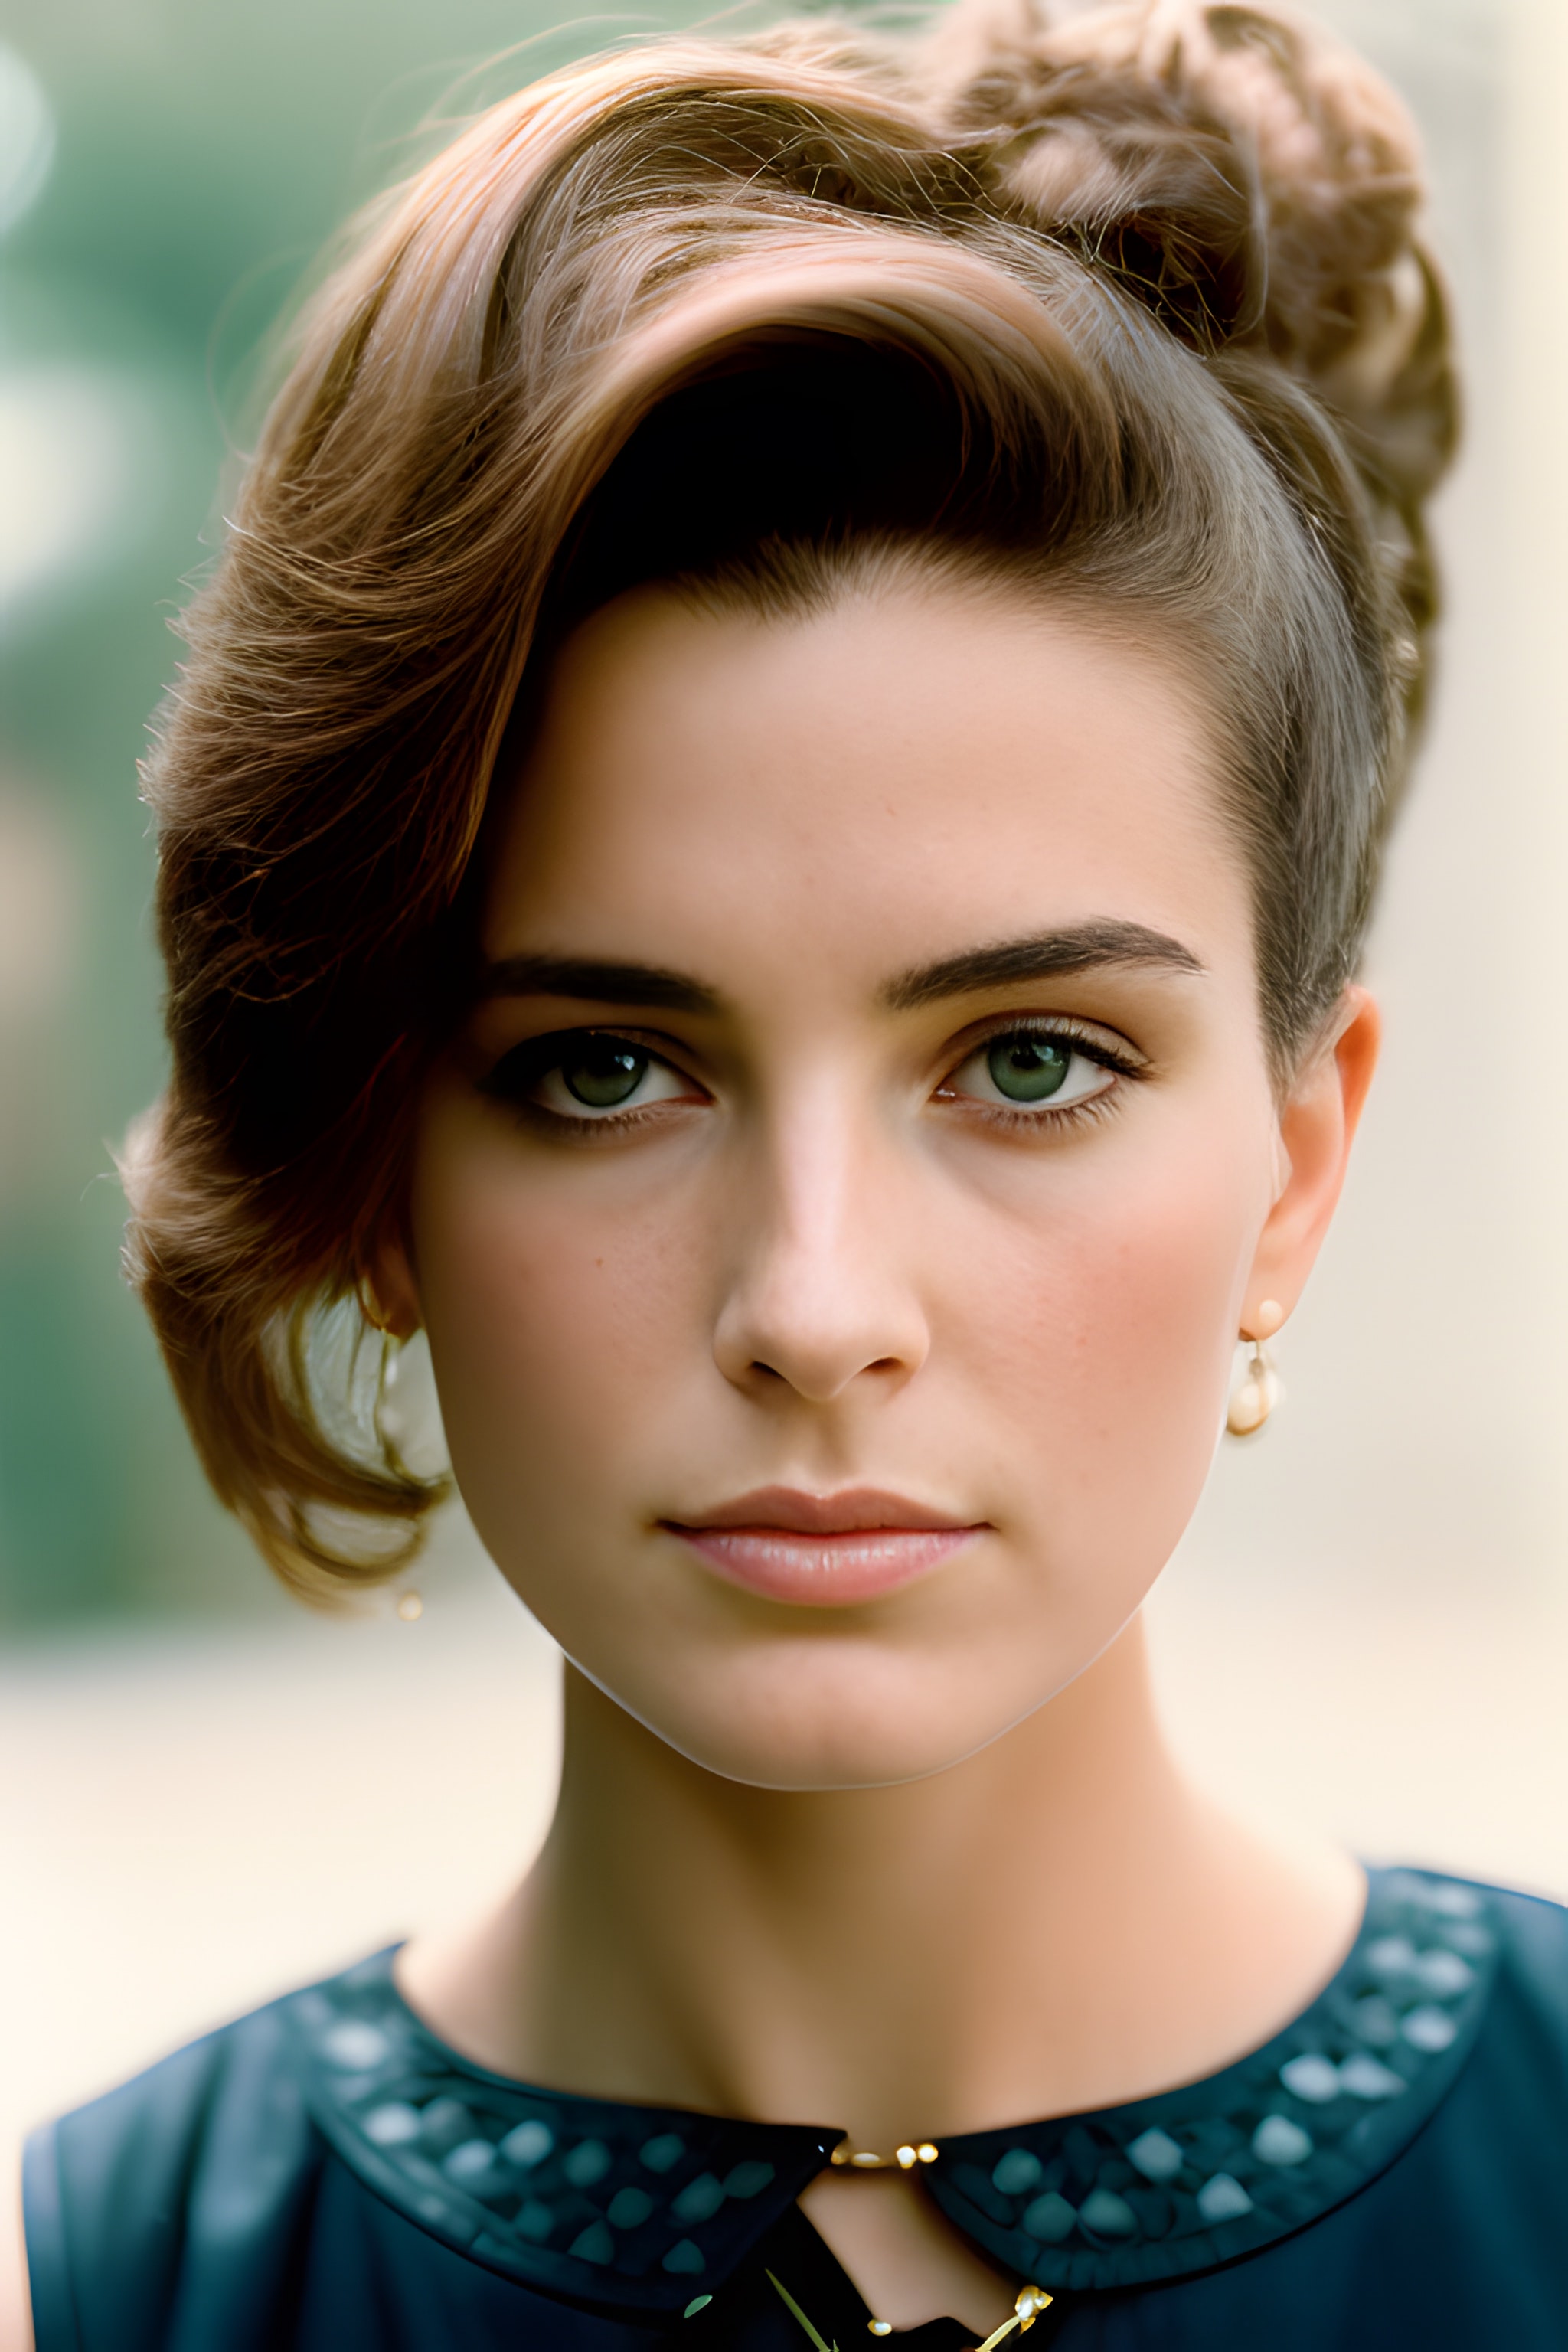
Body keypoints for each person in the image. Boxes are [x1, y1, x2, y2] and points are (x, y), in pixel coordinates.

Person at [9, 0, 1567, 2344]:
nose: (816, 1302)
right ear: (383, 1156)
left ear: (1298, 1159)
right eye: (608, 1071)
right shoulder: (96, 2289)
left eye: (1028, 1060)